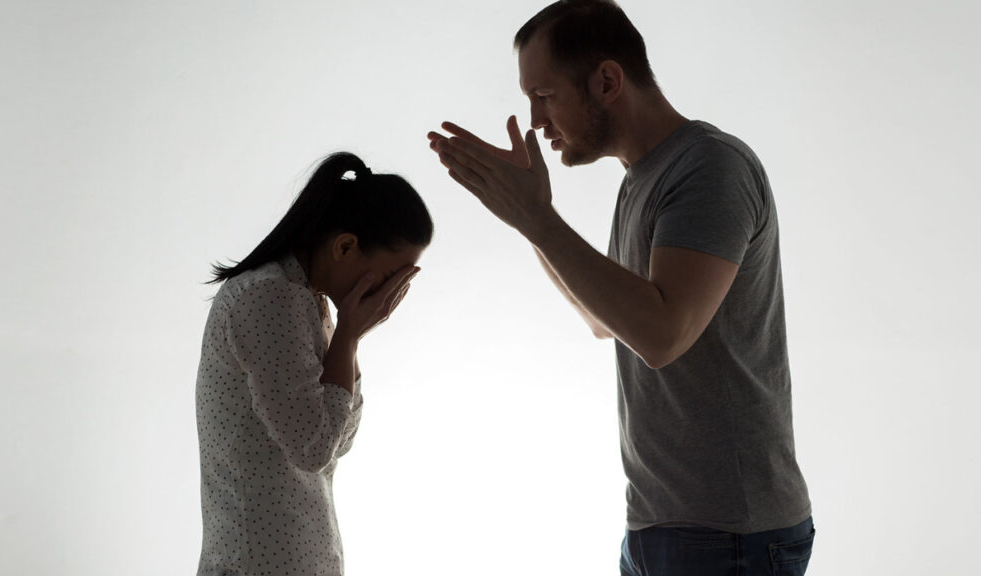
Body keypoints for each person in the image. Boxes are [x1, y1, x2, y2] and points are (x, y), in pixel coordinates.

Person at [427, 1, 813, 574]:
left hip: (730, 535)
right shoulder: (642, 181)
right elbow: (606, 322)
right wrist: (528, 220)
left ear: (607, 81)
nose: (535, 119)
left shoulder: (710, 168)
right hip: (660, 527)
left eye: (544, 96)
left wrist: (538, 221)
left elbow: (661, 335)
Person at [195, 152, 432, 576]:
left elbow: (340, 440)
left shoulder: (309, 301)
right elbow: (313, 448)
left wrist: (348, 338)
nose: (390, 296)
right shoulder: (269, 297)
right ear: (345, 246)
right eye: (391, 277)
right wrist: (348, 336)